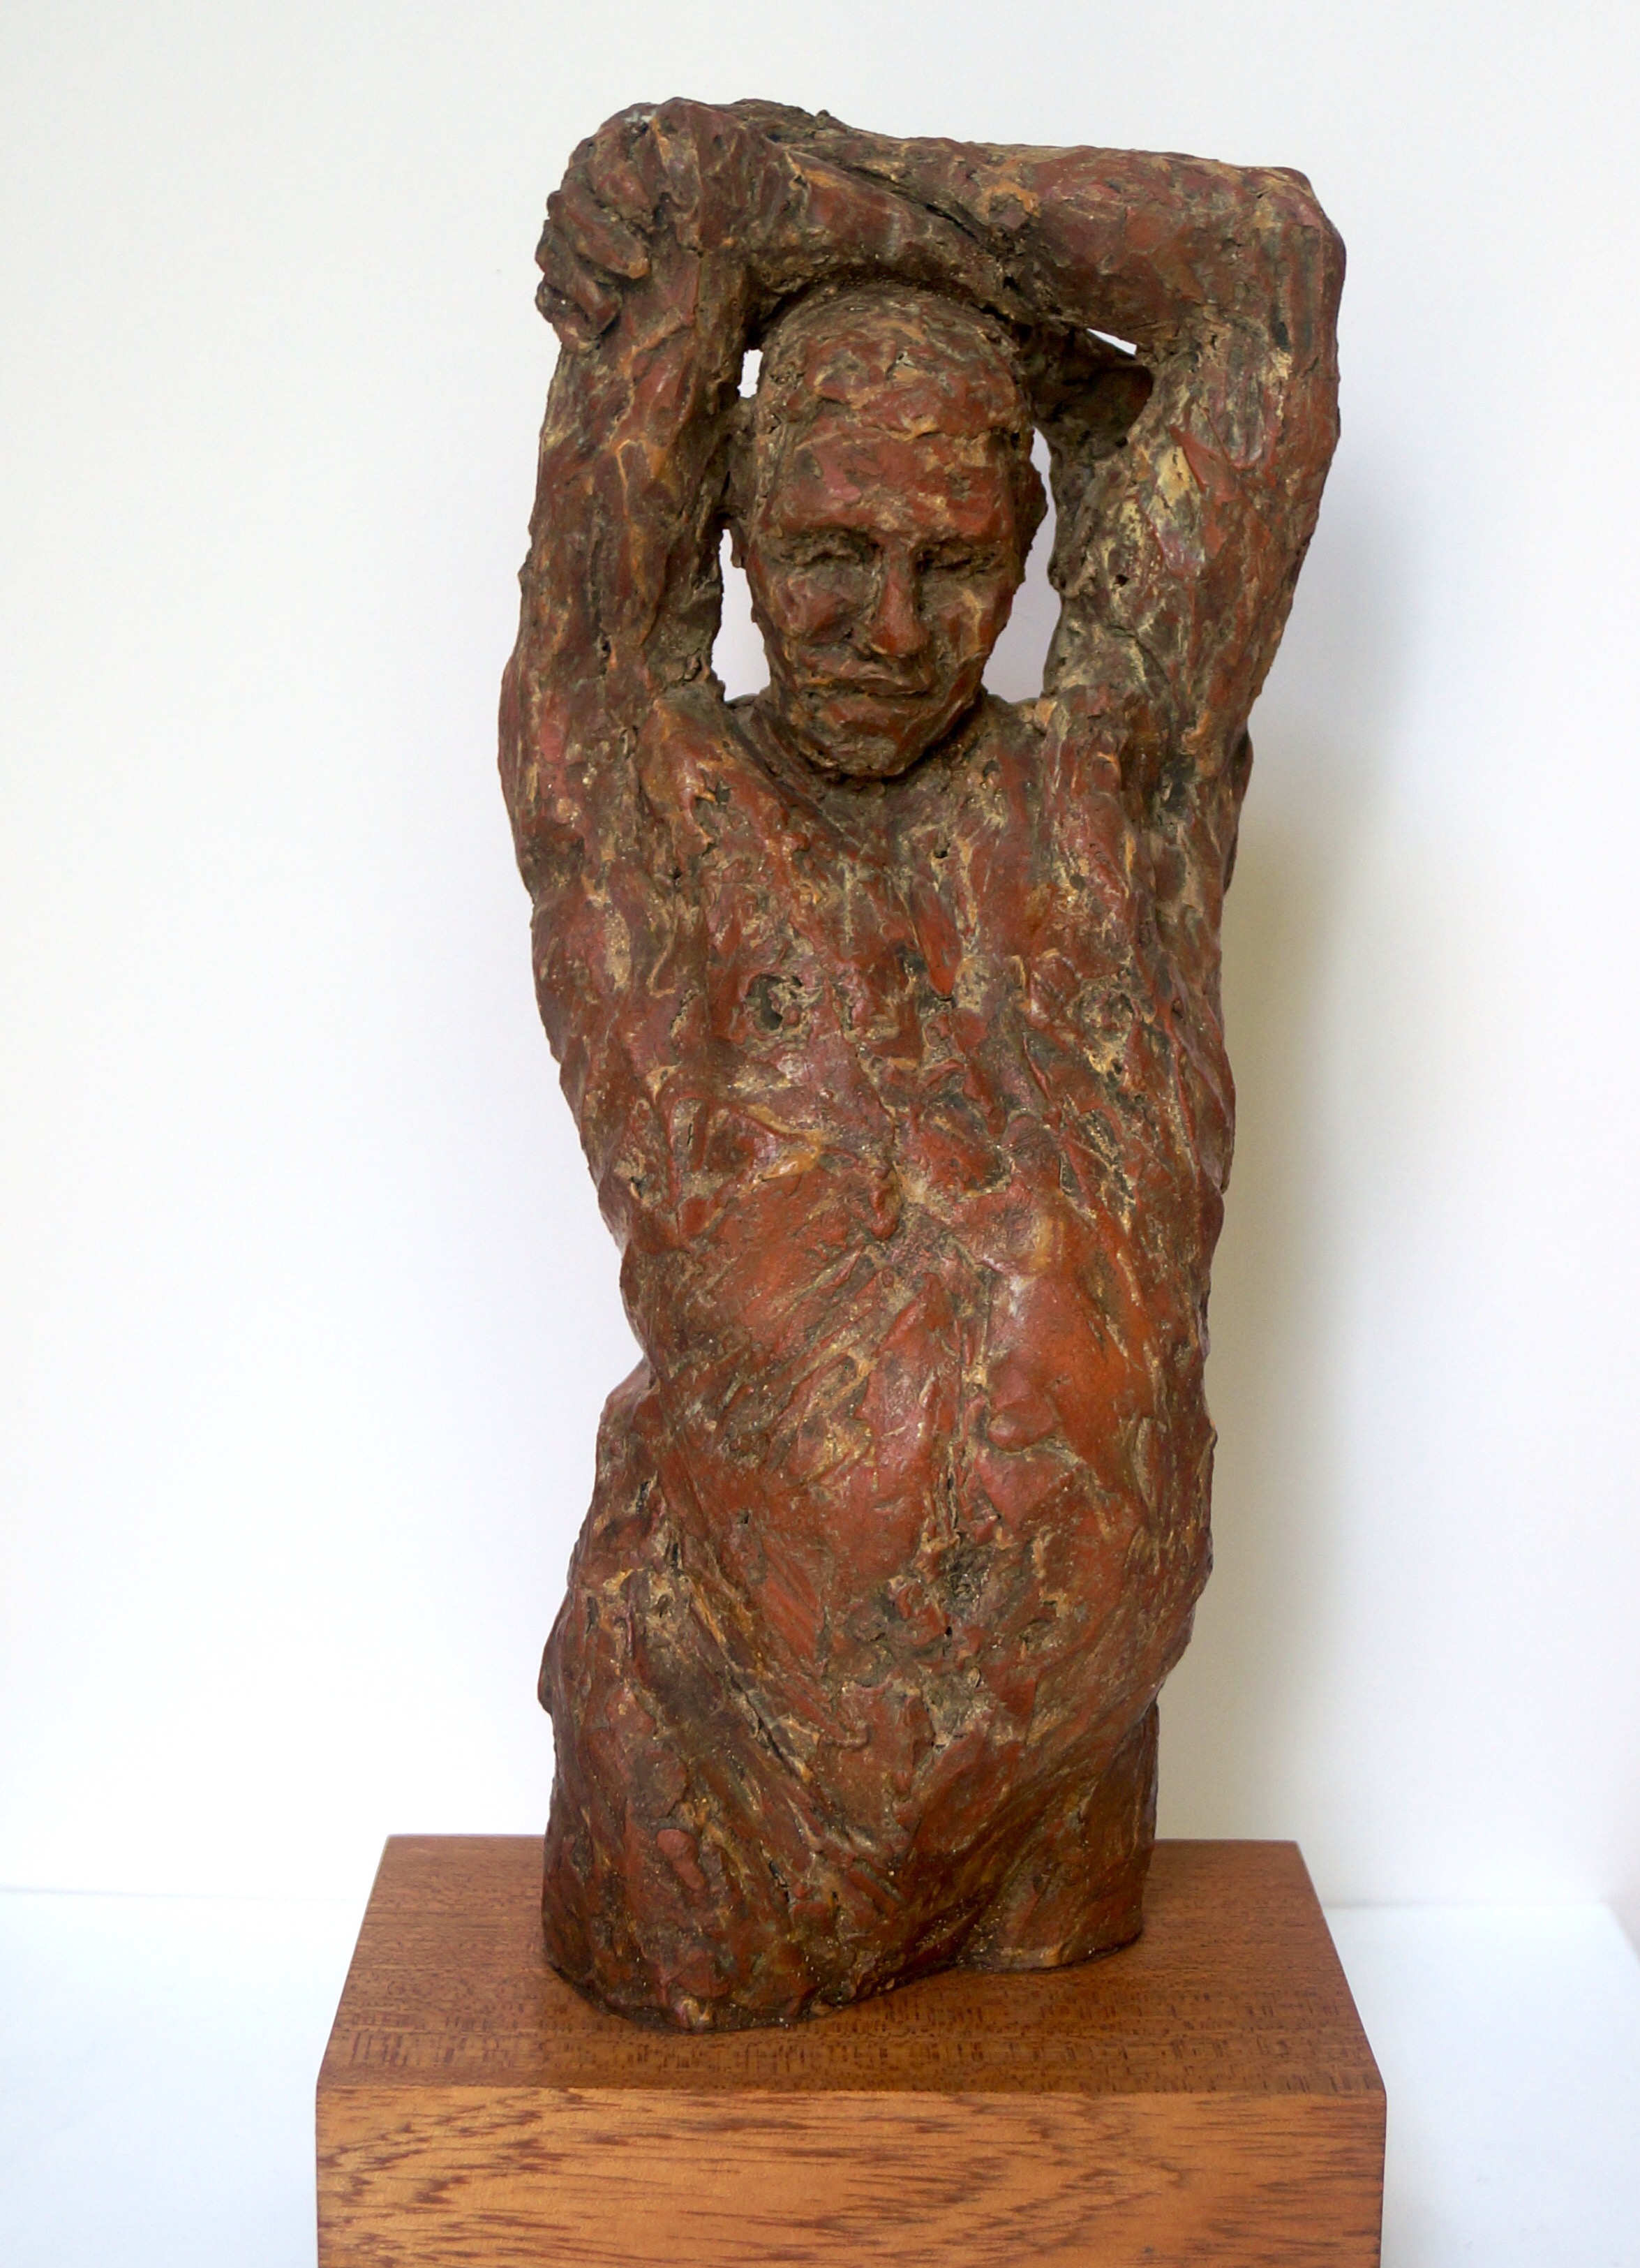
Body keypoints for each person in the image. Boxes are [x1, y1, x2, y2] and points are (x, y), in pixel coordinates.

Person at [500, 99, 1343, 2028]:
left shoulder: (1114, 793)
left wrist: (788, 185)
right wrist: (710, 226)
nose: (886, 627)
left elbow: (1268, 269)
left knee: (1081, 2125)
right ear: (729, 530)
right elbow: (674, 263)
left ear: (1033, 543)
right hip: (725, 1764)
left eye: (952, 566)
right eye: (826, 550)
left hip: (1074, 1770)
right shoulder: (640, 793)